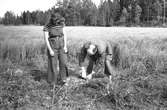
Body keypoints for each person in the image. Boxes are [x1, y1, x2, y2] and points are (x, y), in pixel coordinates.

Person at [43, 11, 68, 85]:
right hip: (52, 46)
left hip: (61, 46)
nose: (57, 22)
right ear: (53, 20)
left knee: (63, 62)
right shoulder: (47, 26)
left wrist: (65, 46)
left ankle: (63, 79)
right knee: (52, 64)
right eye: (56, 20)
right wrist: (50, 50)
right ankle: (52, 81)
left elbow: (65, 35)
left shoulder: (62, 24)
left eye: (58, 20)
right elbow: (46, 39)